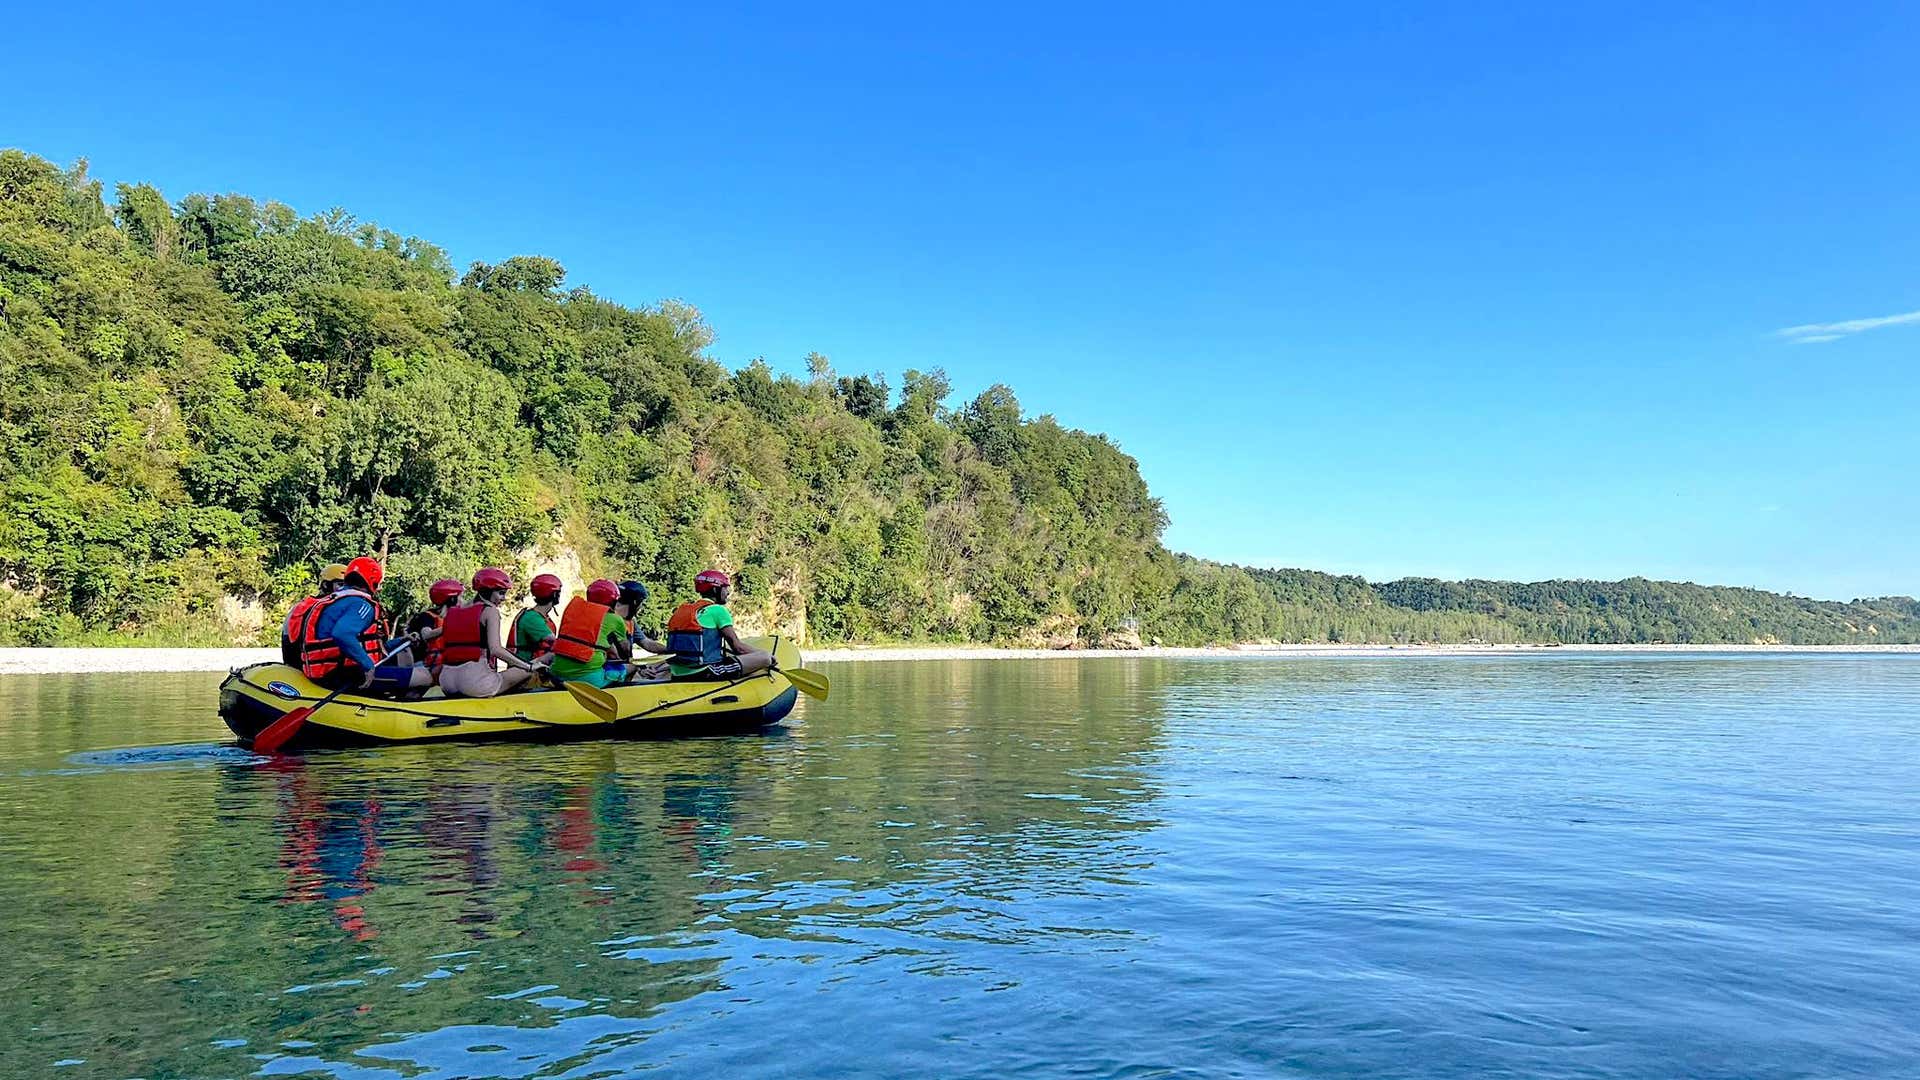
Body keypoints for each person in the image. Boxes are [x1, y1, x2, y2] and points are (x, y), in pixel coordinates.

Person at [298, 557, 433, 693]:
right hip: (342, 675)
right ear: (372, 581)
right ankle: (401, 707)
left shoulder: (335, 600)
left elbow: (364, 644)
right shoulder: (361, 604)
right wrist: (368, 665)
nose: (379, 589)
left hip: (326, 671)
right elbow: (342, 634)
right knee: (426, 676)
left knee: (403, 660)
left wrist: (403, 640)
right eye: (379, 584)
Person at [436, 567, 547, 698]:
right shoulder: (490, 611)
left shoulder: (453, 611)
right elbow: (496, 650)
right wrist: (529, 666)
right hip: (474, 684)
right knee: (527, 671)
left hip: (446, 682)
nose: (504, 598)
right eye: (501, 593)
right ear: (488, 591)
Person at [662, 570, 771, 680]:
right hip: (704, 672)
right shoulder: (718, 610)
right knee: (765, 657)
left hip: (677, 673)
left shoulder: (683, 611)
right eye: (725, 588)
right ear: (715, 589)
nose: (727, 593)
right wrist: (767, 655)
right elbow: (738, 647)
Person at [546, 578, 630, 689]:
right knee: (629, 667)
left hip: (556, 674)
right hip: (587, 680)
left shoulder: (573, 611)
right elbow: (625, 650)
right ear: (613, 601)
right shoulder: (615, 619)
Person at [282, 563, 348, 665]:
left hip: (299, 665)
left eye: (348, 585)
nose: (345, 590)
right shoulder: (335, 610)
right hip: (321, 669)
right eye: (340, 584)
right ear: (326, 585)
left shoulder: (301, 606)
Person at [605, 579, 670, 682]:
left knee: (665, 660)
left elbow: (647, 643)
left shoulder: (631, 622)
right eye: (641, 603)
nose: (641, 607)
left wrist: (671, 650)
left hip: (624, 666)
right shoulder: (610, 619)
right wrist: (640, 668)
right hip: (610, 669)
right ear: (635, 602)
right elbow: (614, 656)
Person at [398, 579, 464, 673]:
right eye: (460, 597)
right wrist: (450, 627)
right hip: (424, 664)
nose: (462, 600)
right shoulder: (427, 616)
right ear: (452, 600)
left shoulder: (455, 617)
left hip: (445, 662)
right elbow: (426, 634)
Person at [508, 573, 563, 665]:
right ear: (554, 595)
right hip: (525, 669)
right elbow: (556, 642)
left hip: (532, 667)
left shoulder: (540, 616)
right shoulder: (532, 618)